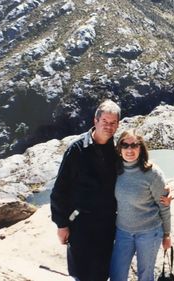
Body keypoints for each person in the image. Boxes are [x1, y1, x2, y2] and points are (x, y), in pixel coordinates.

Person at [50, 99, 121, 281]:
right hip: (81, 224)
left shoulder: (116, 151)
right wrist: (62, 224)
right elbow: (60, 190)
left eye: (113, 123)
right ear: (95, 121)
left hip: (107, 224)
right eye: (105, 121)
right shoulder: (77, 150)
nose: (108, 126)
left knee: (101, 272)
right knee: (80, 273)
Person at [109, 129, 171, 281]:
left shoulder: (153, 173)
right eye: (125, 145)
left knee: (145, 275)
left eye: (134, 145)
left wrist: (167, 234)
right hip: (123, 232)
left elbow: (164, 205)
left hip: (149, 232)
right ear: (119, 148)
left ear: (140, 148)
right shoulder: (113, 171)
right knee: (116, 274)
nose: (129, 150)